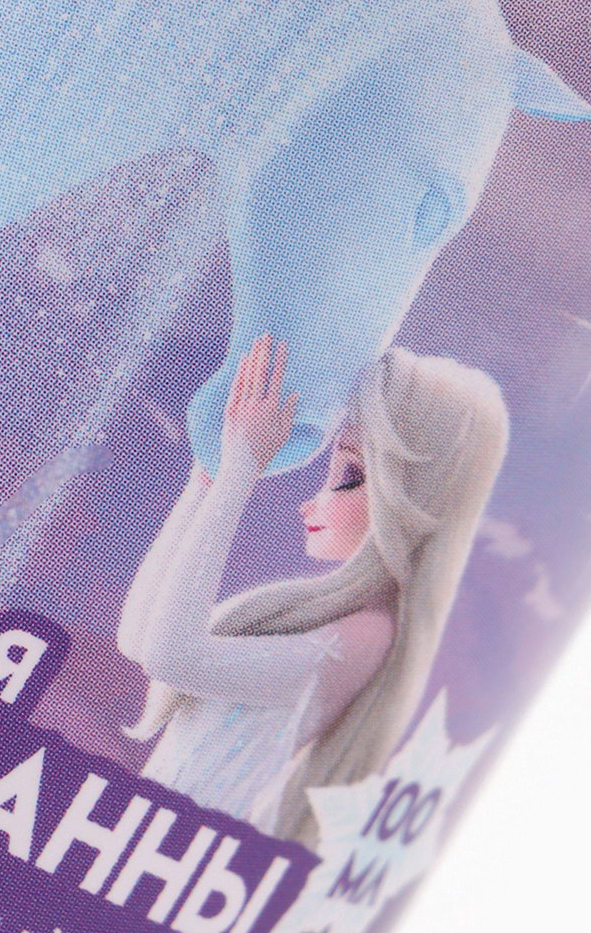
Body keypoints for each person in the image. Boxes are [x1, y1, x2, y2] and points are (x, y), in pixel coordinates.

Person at [118, 334, 508, 846]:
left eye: (348, 475)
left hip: (182, 854)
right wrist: (208, 479)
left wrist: (240, 471)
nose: (311, 503)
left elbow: (171, 657)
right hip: (145, 841)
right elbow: (139, 640)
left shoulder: (365, 638)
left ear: (408, 497)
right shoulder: (317, 609)